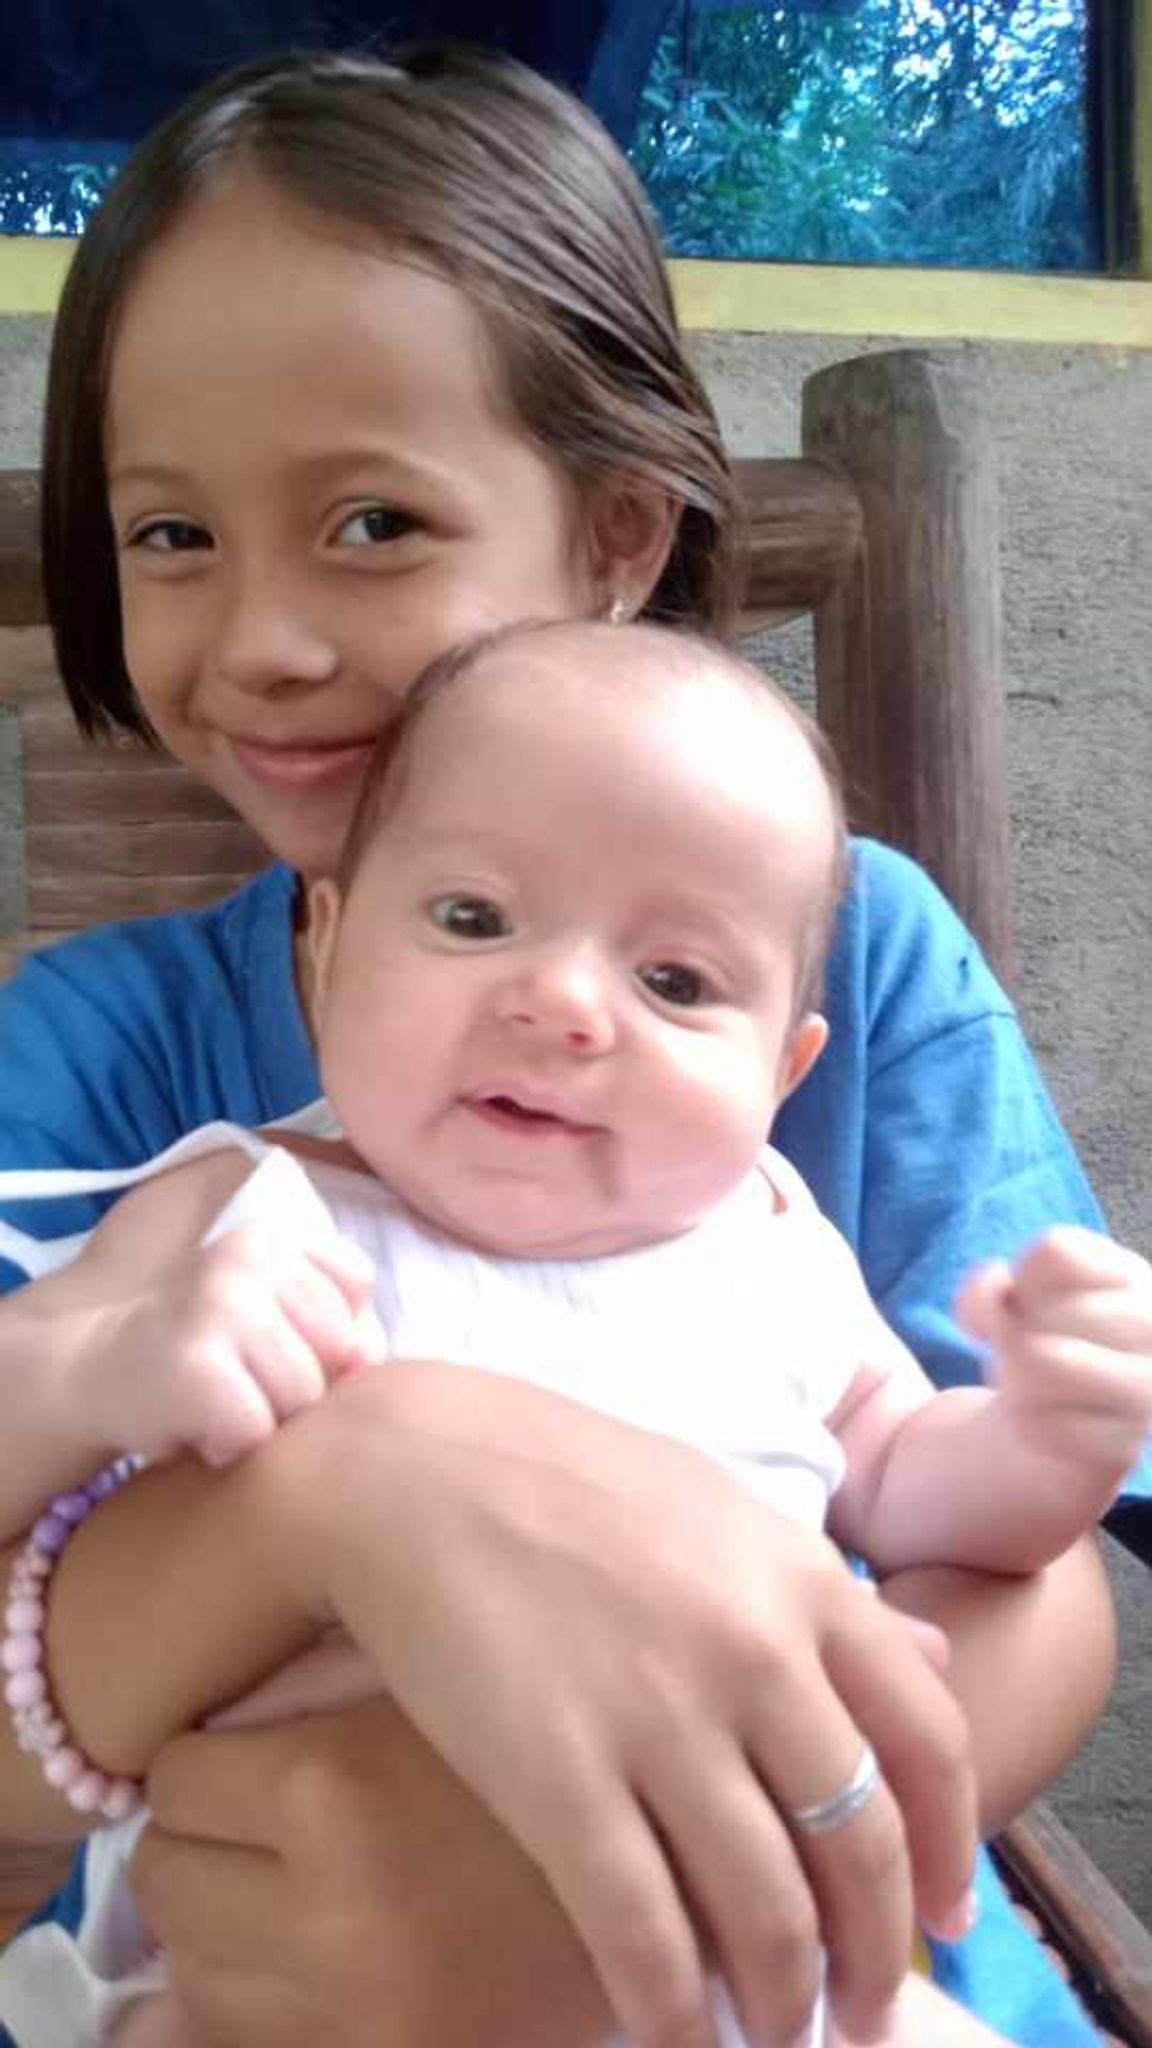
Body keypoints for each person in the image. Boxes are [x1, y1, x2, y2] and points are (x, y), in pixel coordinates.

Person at [0, 41, 1125, 2048]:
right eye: (169, 536)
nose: (261, 639)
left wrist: (651, 1890)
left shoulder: (851, 958)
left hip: (840, 1967)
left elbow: (1041, 1595)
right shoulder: (104, 1067)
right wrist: (339, 1492)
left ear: (616, 536)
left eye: (372, 521)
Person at [6, 618, 1151, 2047]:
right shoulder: (248, 1210)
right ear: (332, 941)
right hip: (275, 1969)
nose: (558, 1004)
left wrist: (1046, 1435)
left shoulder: (773, 1253)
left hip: (735, 1962)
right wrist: (102, 1365)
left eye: (675, 983)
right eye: (473, 918)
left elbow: (923, 1488)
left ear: (784, 1071)